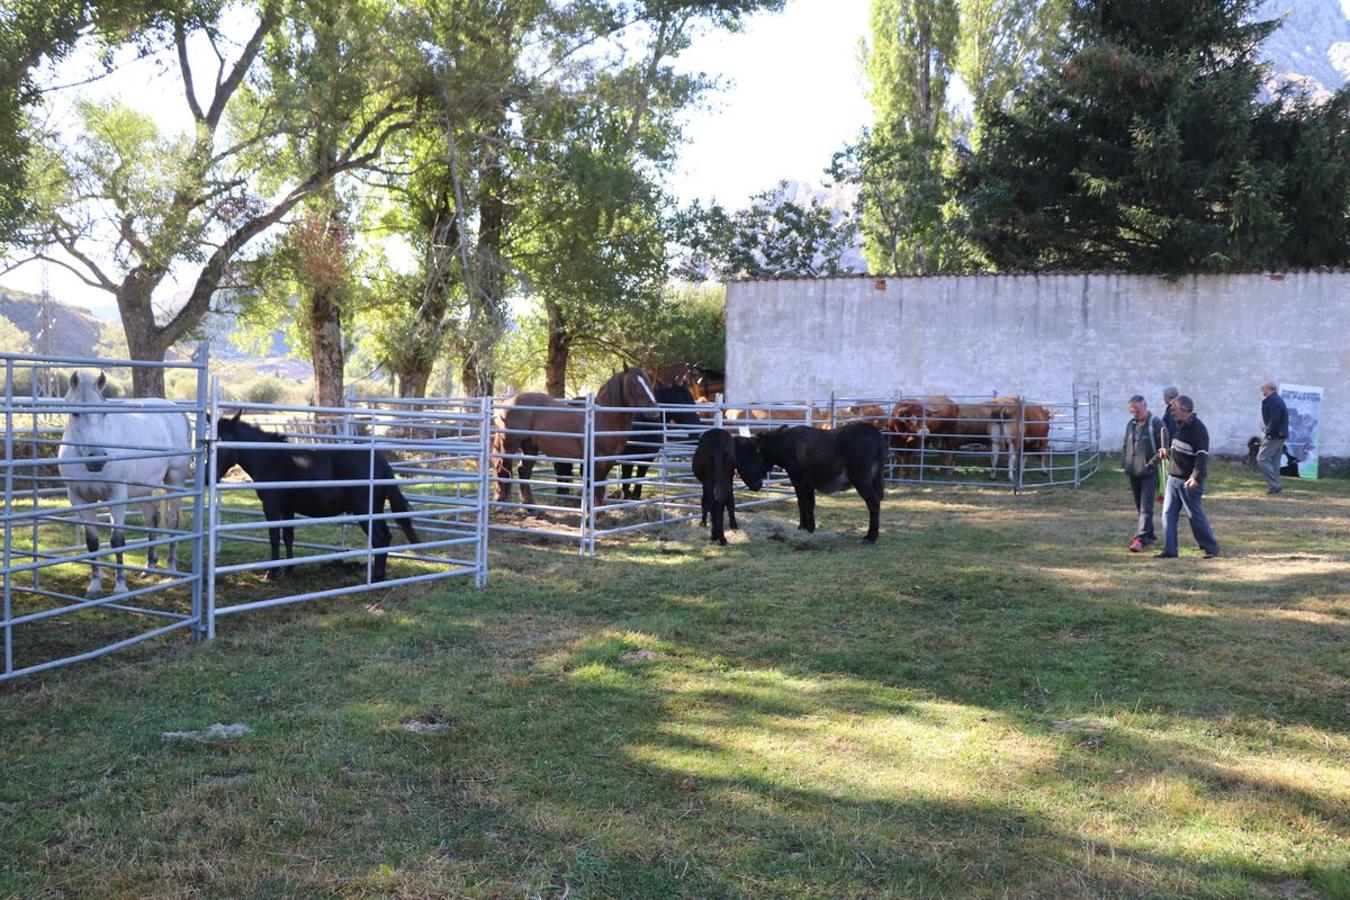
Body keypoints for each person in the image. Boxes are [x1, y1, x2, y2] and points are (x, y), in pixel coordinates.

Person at [1156, 395, 1220, 559]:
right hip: (1173, 478)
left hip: (1188, 481)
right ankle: (1170, 550)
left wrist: (1195, 477)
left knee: (1194, 515)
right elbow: (1179, 449)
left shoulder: (1198, 429)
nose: (1172, 413)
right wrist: (1167, 453)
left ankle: (1211, 548)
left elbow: (1201, 456)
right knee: (1168, 514)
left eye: (1175, 410)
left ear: (1185, 410)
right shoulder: (1178, 425)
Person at [1122, 394, 1163, 552]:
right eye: (1132, 412)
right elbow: (1126, 444)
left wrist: (1152, 465)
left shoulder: (1156, 423)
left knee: (1146, 507)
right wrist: (1125, 463)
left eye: (1137, 411)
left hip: (1150, 472)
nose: (1135, 415)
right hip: (1133, 471)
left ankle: (1140, 539)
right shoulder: (1130, 424)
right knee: (1140, 507)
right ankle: (1150, 536)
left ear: (1145, 407)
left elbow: (1164, 448)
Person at [1258, 380, 1289, 494]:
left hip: (1274, 435)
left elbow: (1274, 420)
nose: (1262, 390)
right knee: (1275, 461)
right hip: (1280, 434)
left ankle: (1276, 485)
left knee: (1261, 459)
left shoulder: (1273, 400)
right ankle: (1275, 488)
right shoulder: (1277, 399)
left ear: (1269, 388)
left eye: (1263, 388)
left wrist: (1267, 432)